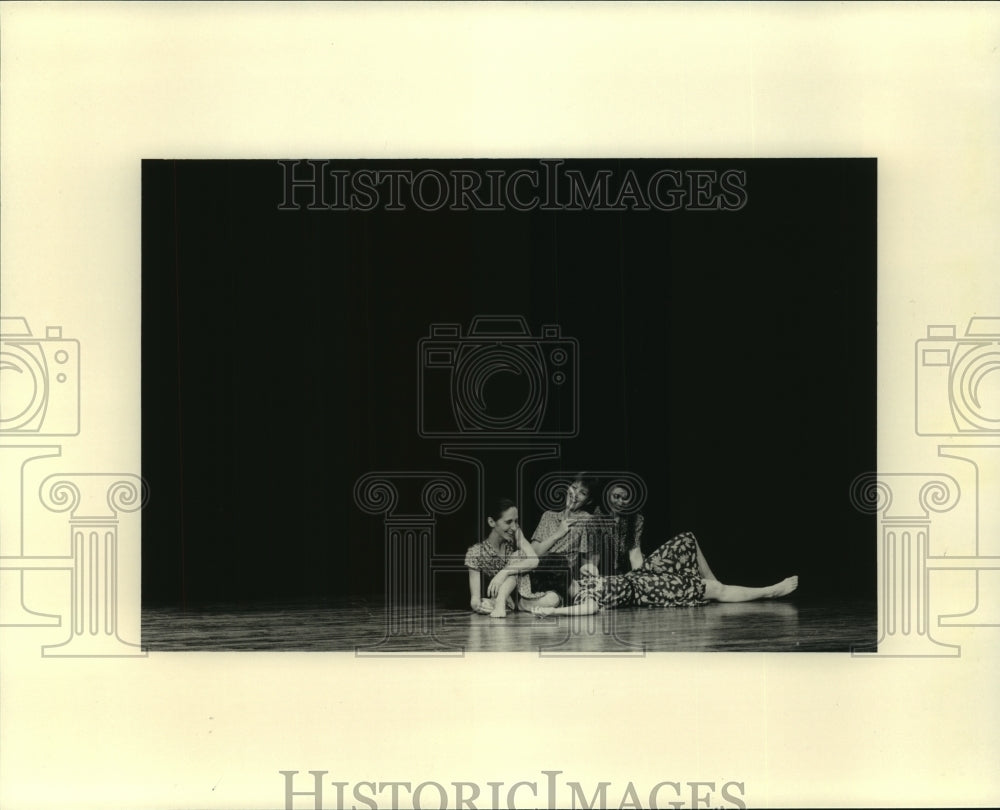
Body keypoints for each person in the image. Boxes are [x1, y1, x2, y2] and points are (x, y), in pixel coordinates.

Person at [531, 530, 798, 616]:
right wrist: (555, 612)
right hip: (649, 590)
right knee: (717, 592)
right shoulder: (581, 598)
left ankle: (713, 582)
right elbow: (588, 610)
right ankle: (769, 590)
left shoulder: (583, 582)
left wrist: (591, 570)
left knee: (687, 539)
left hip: (641, 577)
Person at [465, 497, 561, 618]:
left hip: (525, 592)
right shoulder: (476, 552)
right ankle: (500, 603)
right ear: (491, 522)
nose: (514, 527)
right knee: (518, 555)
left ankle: (515, 604)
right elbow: (474, 600)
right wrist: (479, 606)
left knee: (554, 599)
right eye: (508, 522)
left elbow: (534, 560)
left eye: (516, 521)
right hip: (501, 599)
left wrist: (503, 572)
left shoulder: (516, 533)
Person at [529, 474, 600, 602]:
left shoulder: (586, 521)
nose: (575, 494)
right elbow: (533, 553)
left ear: (588, 500)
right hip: (534, 571)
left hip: (559, 578)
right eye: (573, 487)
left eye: (582, 493)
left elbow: (588, 564)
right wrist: (558, 534)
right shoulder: (548, 516)